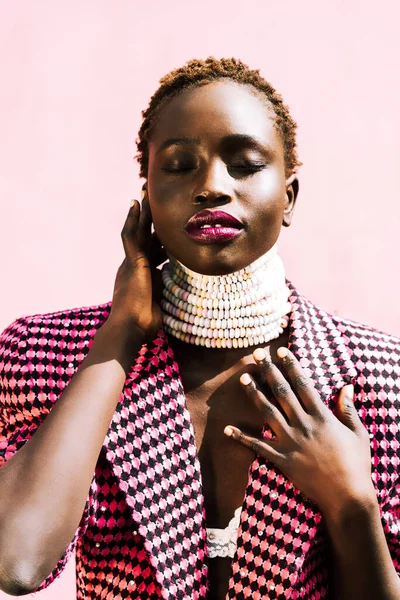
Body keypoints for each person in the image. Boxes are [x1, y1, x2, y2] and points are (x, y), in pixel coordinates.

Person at [0, 57, 399, 600]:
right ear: (146, 197)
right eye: (180, 164)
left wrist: (352, 502)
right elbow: (15, 563)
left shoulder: (378, 378)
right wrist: (120, 334)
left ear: (289, 197)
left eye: (245, 164)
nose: (212, 186)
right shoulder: (43, 354)